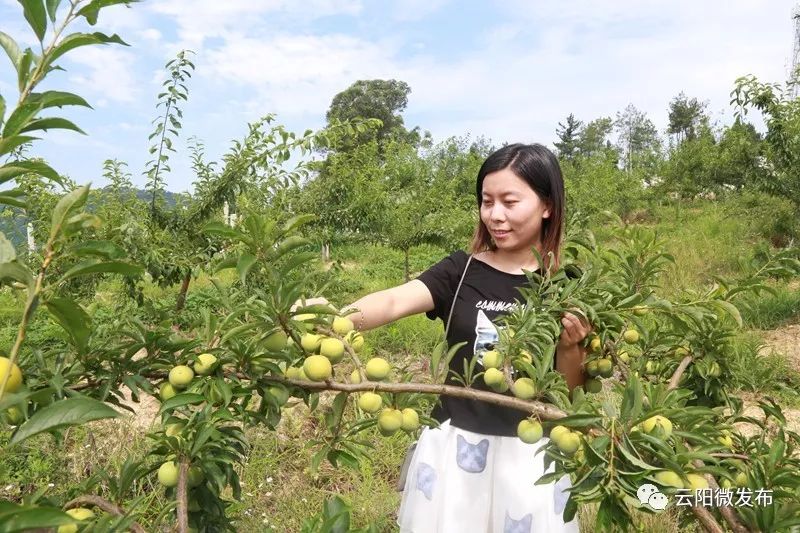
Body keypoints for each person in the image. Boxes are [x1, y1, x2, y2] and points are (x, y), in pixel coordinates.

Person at [303, 143, 590, 532]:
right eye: (487, 202)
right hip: (455, 446)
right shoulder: (461, 270)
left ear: (547, 206)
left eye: (509, 201)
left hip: (530, 453)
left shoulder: (567, 285)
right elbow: (392, 301)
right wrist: (335, 318)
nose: (495, 215)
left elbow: (570, 397)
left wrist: (571, 346)